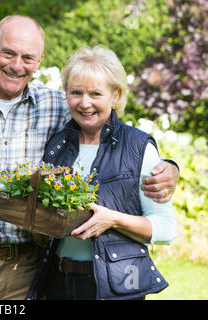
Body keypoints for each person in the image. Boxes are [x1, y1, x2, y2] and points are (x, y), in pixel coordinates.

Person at [0, 16, 179, 300]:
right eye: (8, 53)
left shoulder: (55, 106)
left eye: (28, 57)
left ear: (39, 61)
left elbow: (111, 131)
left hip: (27, 272)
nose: (16, 65)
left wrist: (168, 166)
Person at [26, 46, 178, 300]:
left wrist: (113, 219)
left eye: (96, 93)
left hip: (116, 285)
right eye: (76, 93)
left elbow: (166, 229)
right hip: (58, 283)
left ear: (116, 96)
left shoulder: (138, 147)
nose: (85, 103)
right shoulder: (57, 145)